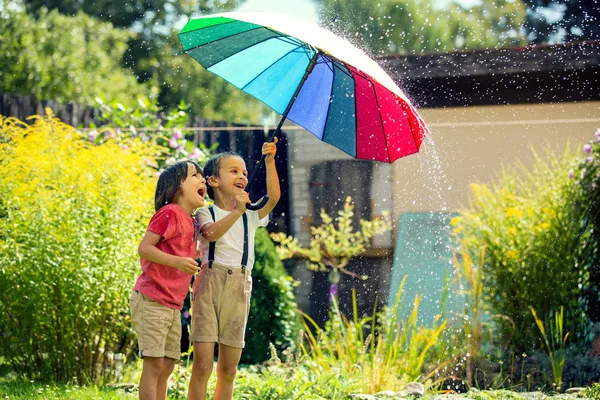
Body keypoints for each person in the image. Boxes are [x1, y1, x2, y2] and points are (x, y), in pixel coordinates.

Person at [188, 138, 280, 400]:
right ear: (213, 181)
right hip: (210, 283)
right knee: (202, 364)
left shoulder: (251, 213)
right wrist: (237, 211)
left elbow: (273, 197)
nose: (242, 176)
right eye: (234, 171)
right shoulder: (206, 213)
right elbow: (211, 234)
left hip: (240, 285)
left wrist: (270, 161)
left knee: (228, 368)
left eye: (244, 172)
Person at [130, 160, 206, 400]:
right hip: (152, 299)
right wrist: (177, 262)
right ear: (176, 187)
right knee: (154, 365)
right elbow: (145, 248)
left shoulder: (192, 222)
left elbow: (185, 252)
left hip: (172, 305)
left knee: (167, 365)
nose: (202, 180)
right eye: (195, 175)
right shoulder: (169, 213)